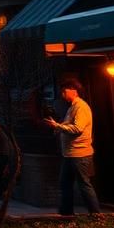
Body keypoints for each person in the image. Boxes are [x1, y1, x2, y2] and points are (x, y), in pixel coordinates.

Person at [44, 78, 101, 215]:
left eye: (64, 91)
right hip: (70, 153)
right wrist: (57, 127)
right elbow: (69, 125)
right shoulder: (72, 107)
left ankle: (95, 214)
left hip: (79, 154)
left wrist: (57, 126)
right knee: (65, 184)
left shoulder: (81, 107)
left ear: (73, 91)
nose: (62, 94)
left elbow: (78, 128)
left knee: (83, 184)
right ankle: (66, 213)